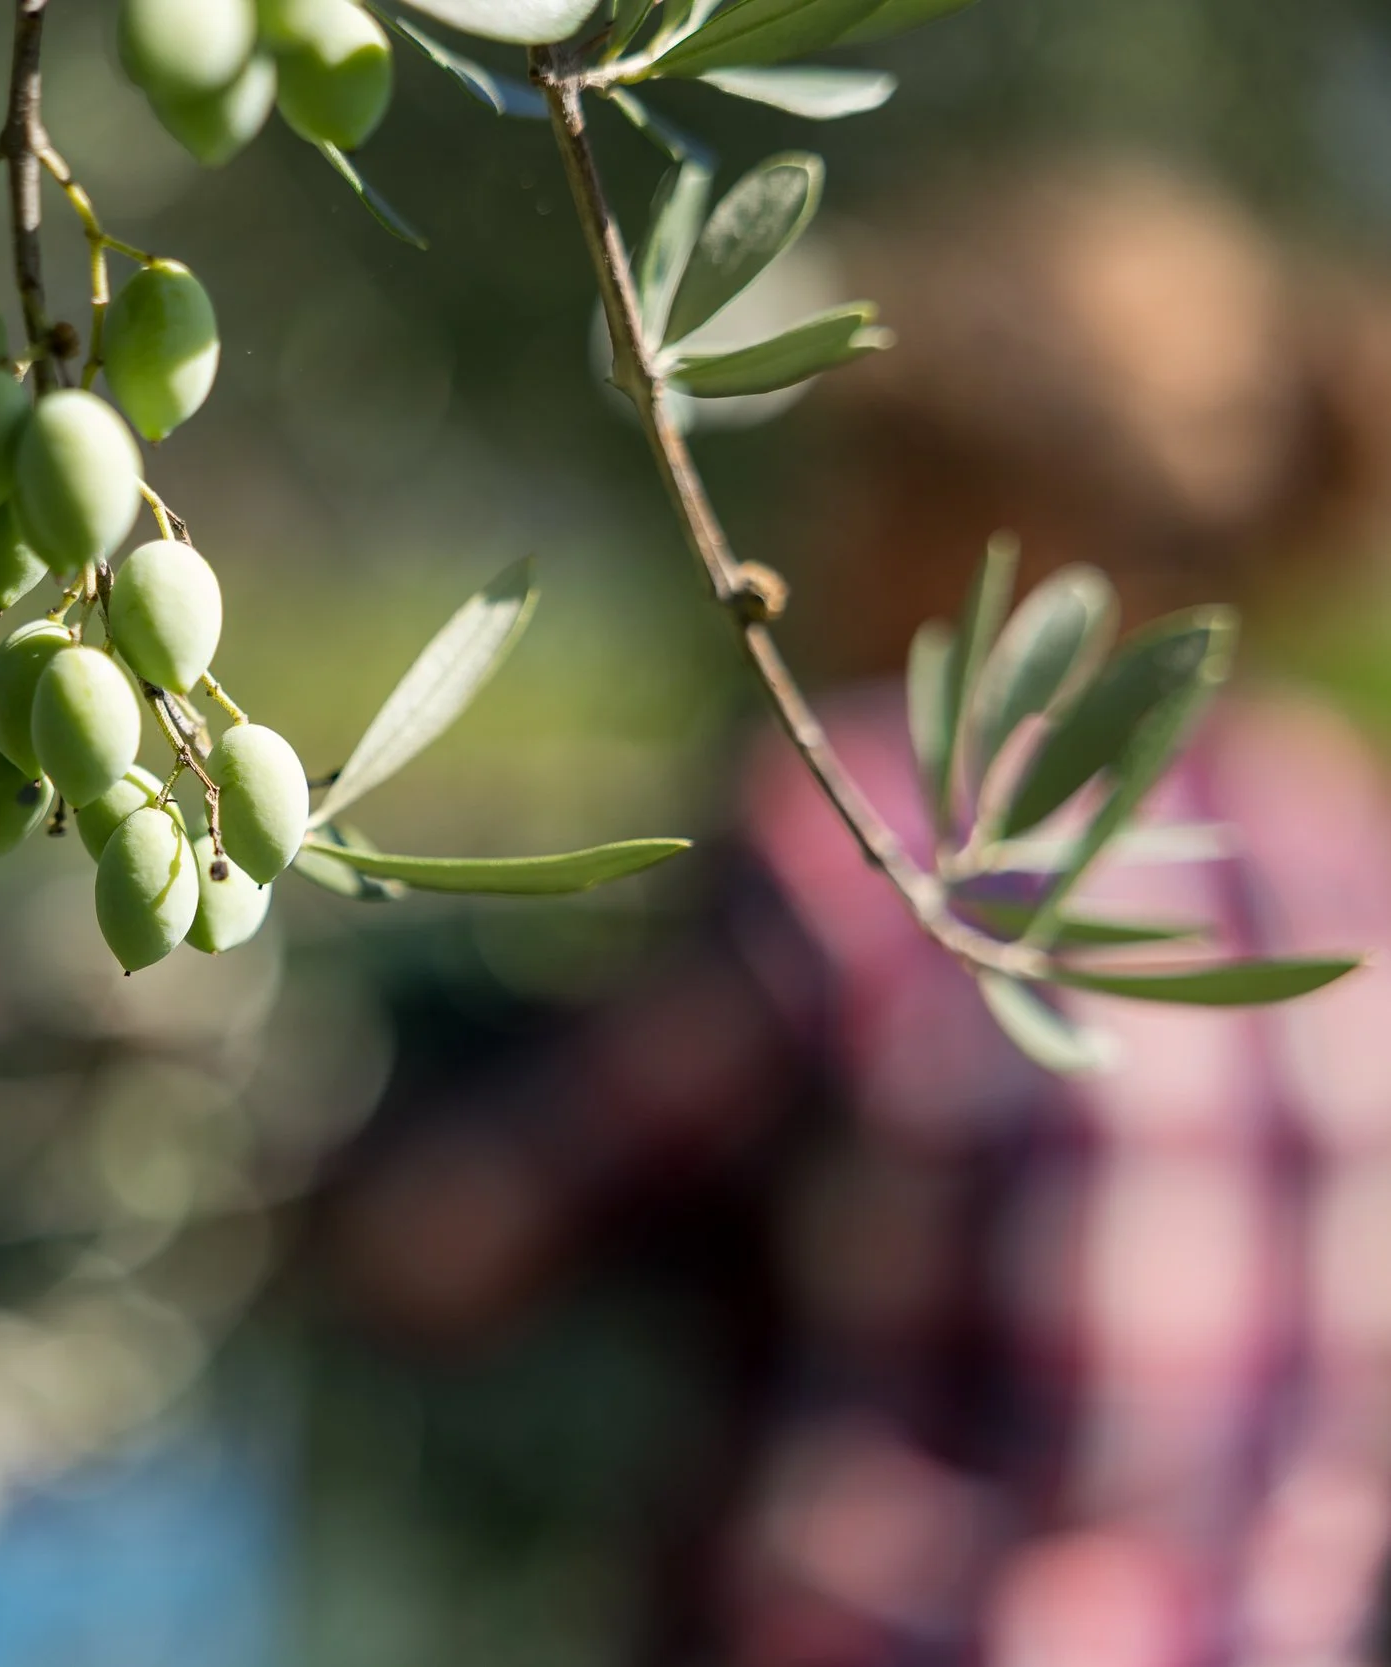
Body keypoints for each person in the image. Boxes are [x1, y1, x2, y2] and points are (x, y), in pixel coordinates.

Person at [323, 158, 1391, 1667]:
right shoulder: (1344, 833)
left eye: (858, 477)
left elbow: (446, 1244)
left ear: (986, 510)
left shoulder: (873, 832)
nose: (809, 543)